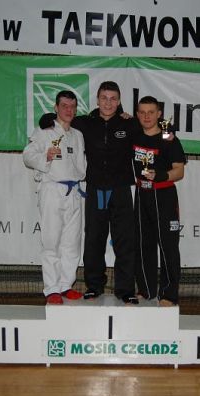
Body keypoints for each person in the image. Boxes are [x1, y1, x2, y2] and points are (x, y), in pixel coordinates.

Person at [39, 81, 139, 305]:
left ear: (119, 101)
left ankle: (125, 289)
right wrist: (46, 119)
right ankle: (94, 286)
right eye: (104, 98)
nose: (108, 103)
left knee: (124, 241)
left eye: (113, 99)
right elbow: (63, 118)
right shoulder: (84, 123)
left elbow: (153, 132)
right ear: (97, 100)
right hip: (95, 189)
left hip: (121, 189)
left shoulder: (130, 124)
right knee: (94, 240)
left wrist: (167, 134)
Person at [23, 90, 86, 305]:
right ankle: (51, 288)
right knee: (51, 241)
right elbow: (28, 155)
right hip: (52, 189)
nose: (69, 110)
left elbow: (81, 166)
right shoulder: (44, 131)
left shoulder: (77, 135)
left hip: (74, 191)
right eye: (64, 106)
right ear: (56, 108)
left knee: (72, 242)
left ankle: (65, 285)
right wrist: (46, 156)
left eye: (72, 106)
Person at [132, 96, 186, 306]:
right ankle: (146, 289)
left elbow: (179, 171)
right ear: (137, 114)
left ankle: (169, 294)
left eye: (151, 112)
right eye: (142, 112)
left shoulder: (169, 139)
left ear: (159, 114)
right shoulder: (134, 135)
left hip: (164, 195)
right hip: (141, 194)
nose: (146, 116)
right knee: (142, 244)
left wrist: (160, 176)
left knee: (168, 247)